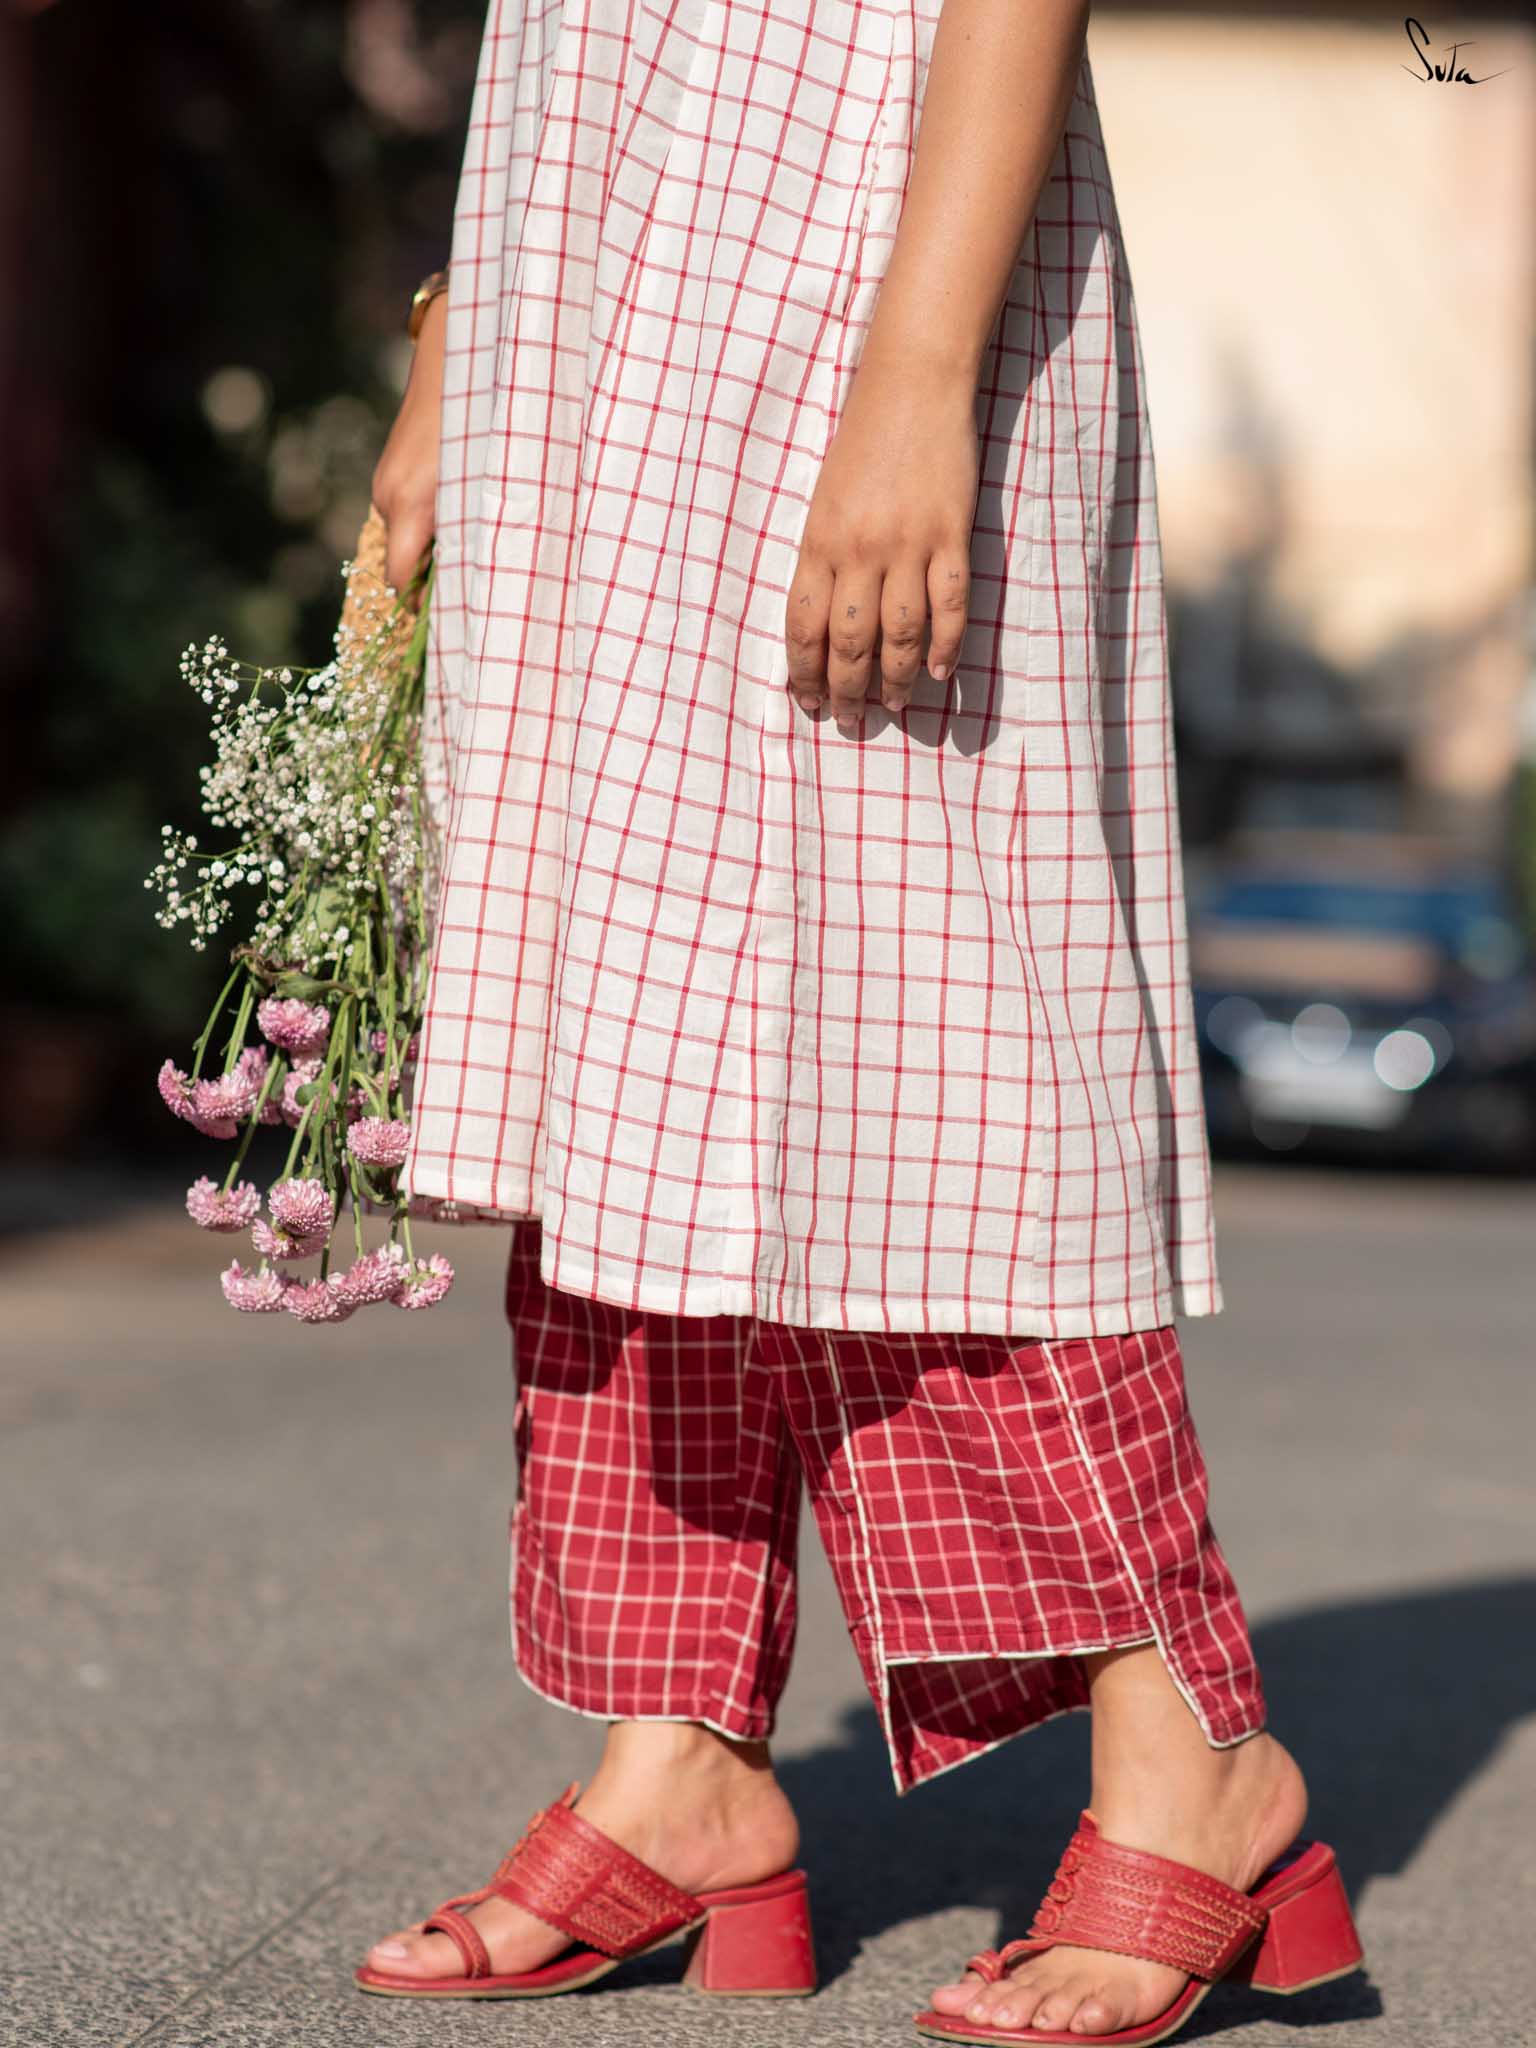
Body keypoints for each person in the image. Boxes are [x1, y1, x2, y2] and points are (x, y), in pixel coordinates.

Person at [357, 0, 1365, 2039]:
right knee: (625, 1027)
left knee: (948, 1037)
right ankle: (681, 1765)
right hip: (595, 276)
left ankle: (1194, 1757)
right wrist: (464, 325)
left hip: (867, 268)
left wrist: (919, 374)